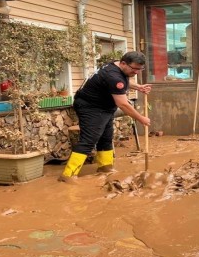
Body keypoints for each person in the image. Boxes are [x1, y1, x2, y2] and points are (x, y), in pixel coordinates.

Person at [58, 51, 151, 182]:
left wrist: (139, 87)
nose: (136, 72)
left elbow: (123, 82)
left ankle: (105, 168)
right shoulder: (113, 76)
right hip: (90, 107)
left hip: (104, 107)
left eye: (140, 69)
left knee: (106, 137)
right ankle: (67, 175)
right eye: (134, 69)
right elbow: (123, 104)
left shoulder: (117, 66)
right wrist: (141, 118)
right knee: (89, 140)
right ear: (123, 63)